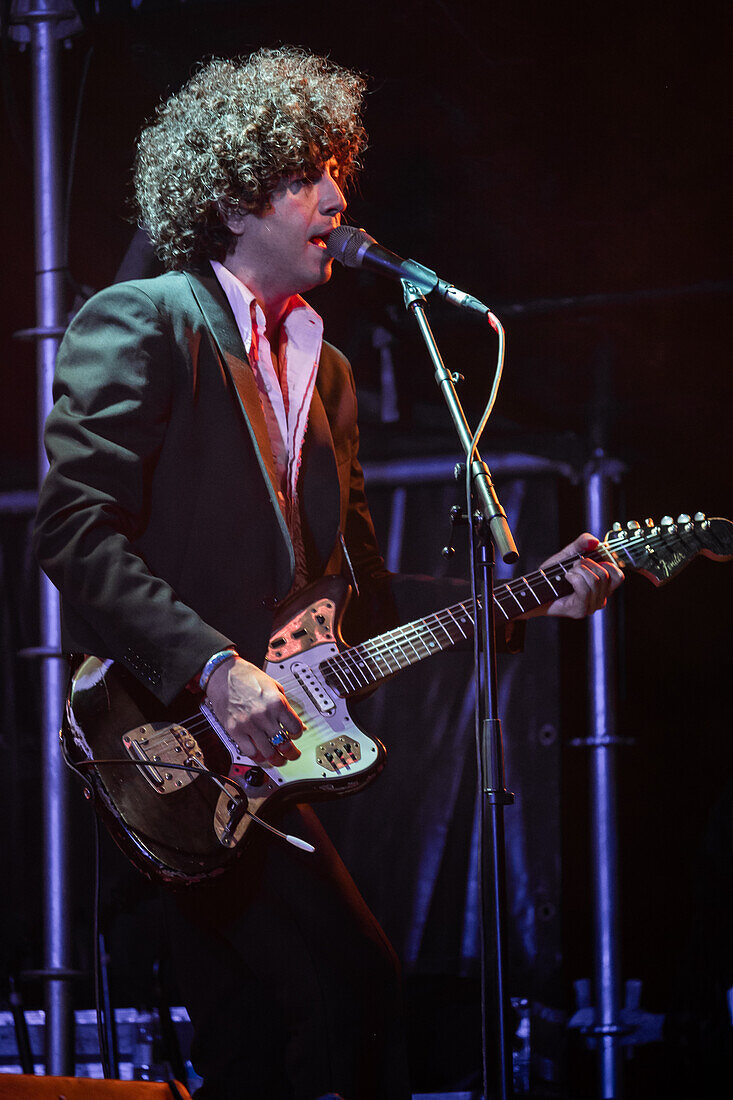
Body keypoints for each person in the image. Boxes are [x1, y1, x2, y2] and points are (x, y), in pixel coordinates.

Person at [34, 47, 622, 1099]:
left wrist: (534, 597)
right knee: (347, 988)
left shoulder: (328, 368)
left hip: (267, 762)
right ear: (228, 196)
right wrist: (214, 667)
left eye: (338, 170)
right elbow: (73, 533)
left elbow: (360, 599)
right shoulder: (145, 318)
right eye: (308, 174)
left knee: (261, 1039)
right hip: (168, 748)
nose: (340, 198)